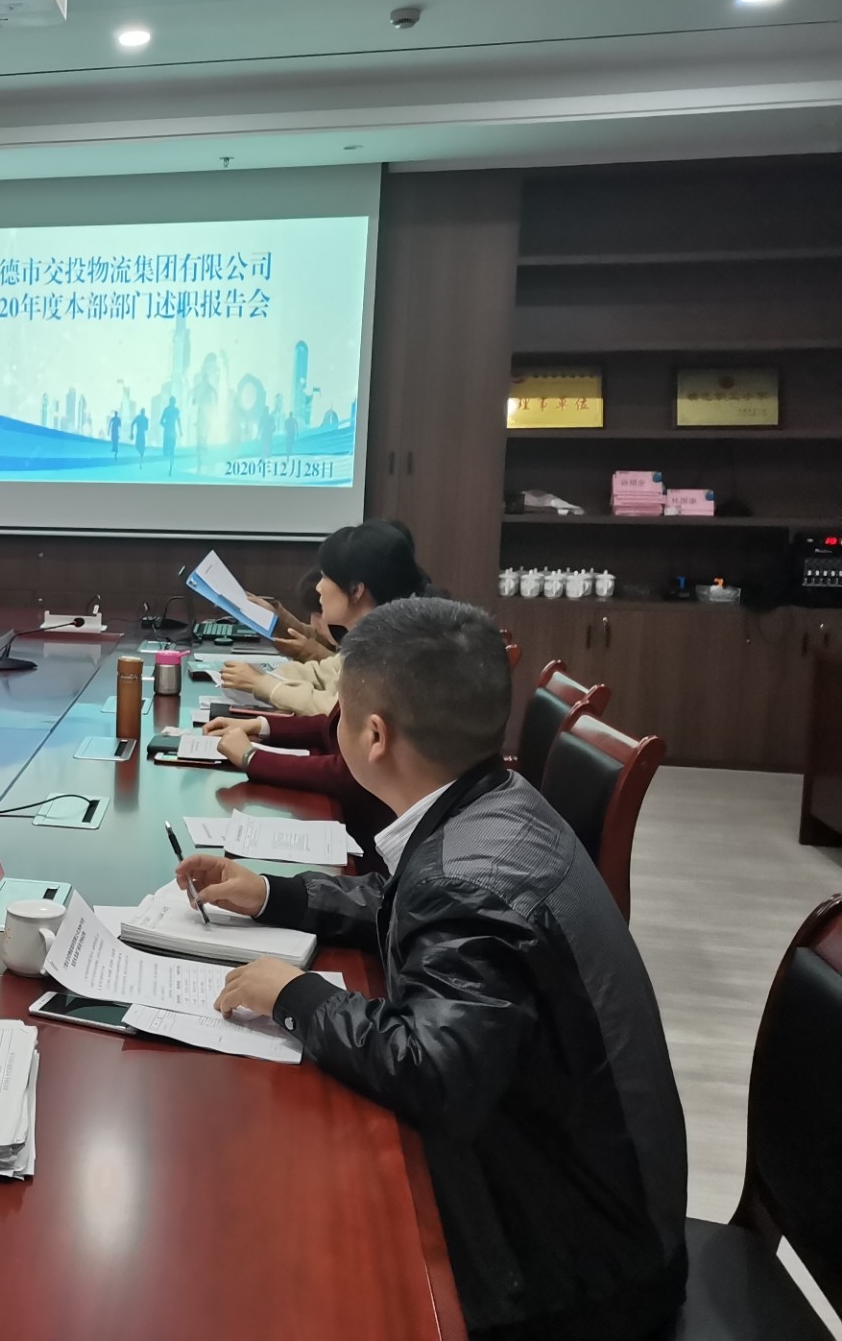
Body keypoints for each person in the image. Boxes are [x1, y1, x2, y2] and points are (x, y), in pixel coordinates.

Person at [179, 599, 686, 1341]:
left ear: (373, 736)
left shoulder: (470, 882)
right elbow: (408, 900)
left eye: (342, 717)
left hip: (574, 1271)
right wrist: (275, 894)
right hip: (581, 1197)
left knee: (275, 1238)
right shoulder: (496, 804)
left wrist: (296, 996)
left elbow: (431, 1071)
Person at [204, 520, 428, 862]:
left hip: (378, 846)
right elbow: (334, 722)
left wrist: (252, 758)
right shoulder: (379, 641)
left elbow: (348, 772)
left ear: (357, 590)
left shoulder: (393, 656)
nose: (319, 587)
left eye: (326, 576)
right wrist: (264, 726)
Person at [221, 569, 342, 716]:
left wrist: (261, 683)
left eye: (320, 613)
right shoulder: (350, 646)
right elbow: (323, 669)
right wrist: (276, 618)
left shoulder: (365, 650)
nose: (313, 622)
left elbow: (334, 709)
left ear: (356, 592)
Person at [159, 398, 182, 475]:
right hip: (170, 433)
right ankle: (170, 467)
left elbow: (161, 421)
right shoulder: (172, 410)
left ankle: (170, 468)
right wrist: (180, 431)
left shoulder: (171, 410)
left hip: (170, 433)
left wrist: (166, 426)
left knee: (170, 451)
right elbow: (161, 421)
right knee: (169, 451)